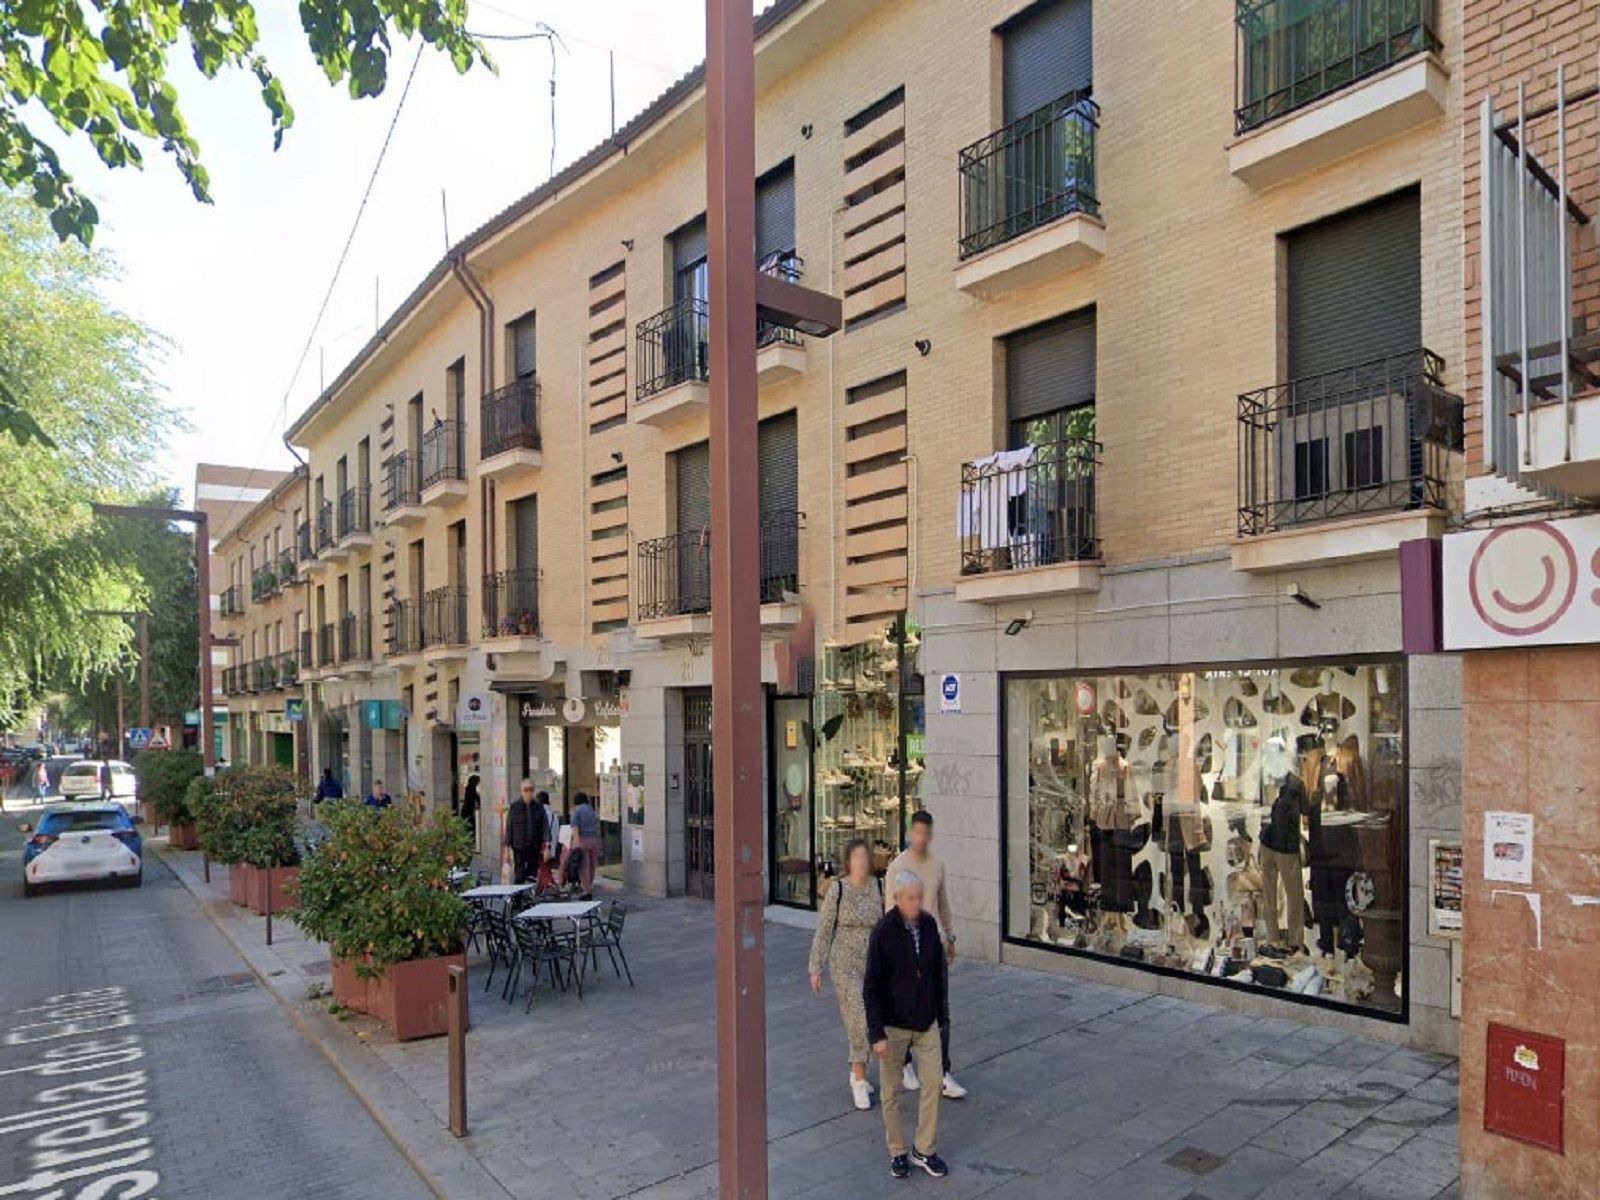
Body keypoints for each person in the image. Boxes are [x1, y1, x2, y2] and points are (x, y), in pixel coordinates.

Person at [864, 871, 950, 1181]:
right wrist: (877, 1033)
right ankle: (897, 1151)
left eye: (919, 897)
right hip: (894, 1025)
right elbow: (870, 986)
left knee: (934, 1082)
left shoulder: (928, 925)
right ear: (897, 899)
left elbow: (937, 975)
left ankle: (924, 1149)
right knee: (891, 1091)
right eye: (911, 898)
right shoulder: (883, 933)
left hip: (925, 1021)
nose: (917, 903)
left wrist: (941, 1018)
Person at [884, 811, 965, 1099]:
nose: (920, 837)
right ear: (910, 832)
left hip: (935, 948)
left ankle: (943, 1073)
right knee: (907, 1008)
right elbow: (889, 912)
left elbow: (943, 905)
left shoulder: (938, 865)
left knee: (941, 1010)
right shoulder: (897, 867)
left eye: (925, 832)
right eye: (916, 832)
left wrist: (950, 936)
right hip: (907, 951)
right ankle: (905, 1062)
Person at [808, 839, 884, 1111]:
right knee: (859, 1015)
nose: (862, 861)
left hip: (873, 964)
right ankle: (860, 1079)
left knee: (875, 1017)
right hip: (845, 964)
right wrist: (816, 967)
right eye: (857, 857)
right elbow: (824, 929)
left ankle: (857, 1069)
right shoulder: (838, 889)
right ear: (848, 862)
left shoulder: (878, 886)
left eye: (866, 856)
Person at [505, 780, 542, 885]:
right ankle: (517, 900)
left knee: (532, 876)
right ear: (521, 791)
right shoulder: (515, 807)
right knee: (520, 875)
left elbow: (544, 826)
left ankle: (529, 898)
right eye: (526, 790)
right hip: (519, 846)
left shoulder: (538, 807)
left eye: (531, 789)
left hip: (534, 846)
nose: (528, 793)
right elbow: (509, 827)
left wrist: (547, 845)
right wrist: (506, 849)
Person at [569, 791, 600, 896]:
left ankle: (586, 890)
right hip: (593, 840)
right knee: (592, 865)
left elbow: (575, 826)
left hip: (583, 840)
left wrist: (576, 841)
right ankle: (590, 885)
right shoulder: (591, 809)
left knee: (584, 866)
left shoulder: (577, 811)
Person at [460, 774, 481, 840]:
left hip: (467, 811)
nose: (478, 783)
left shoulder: (470, 788)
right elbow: (475, 798)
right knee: (470, 826)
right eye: (477, 781)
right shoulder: (470, 788)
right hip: (468, 811)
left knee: (469, 826)